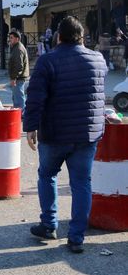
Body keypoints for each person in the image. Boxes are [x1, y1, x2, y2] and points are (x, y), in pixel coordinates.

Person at [24, 16, 107, 254]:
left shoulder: (47, 61)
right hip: (87, 134)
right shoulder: (98, 59)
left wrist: (30, 126)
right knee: (82, 183)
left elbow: (35, 97)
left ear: (58, 36)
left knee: (47, 175)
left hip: (55, 133)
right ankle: (77, 237)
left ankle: (49, 224)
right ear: (82, 37)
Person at [8, 30, 29, 113]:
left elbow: (18, 66)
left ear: (17, 39)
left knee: (19, 98)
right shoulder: (15, 47)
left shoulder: (18, 49)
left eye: (11, 38)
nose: (10, 39)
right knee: (16, 97)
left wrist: (14, 78)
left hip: (18, 77)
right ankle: (19, 113)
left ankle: (22, 113)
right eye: (9, 37)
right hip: (18, 77)